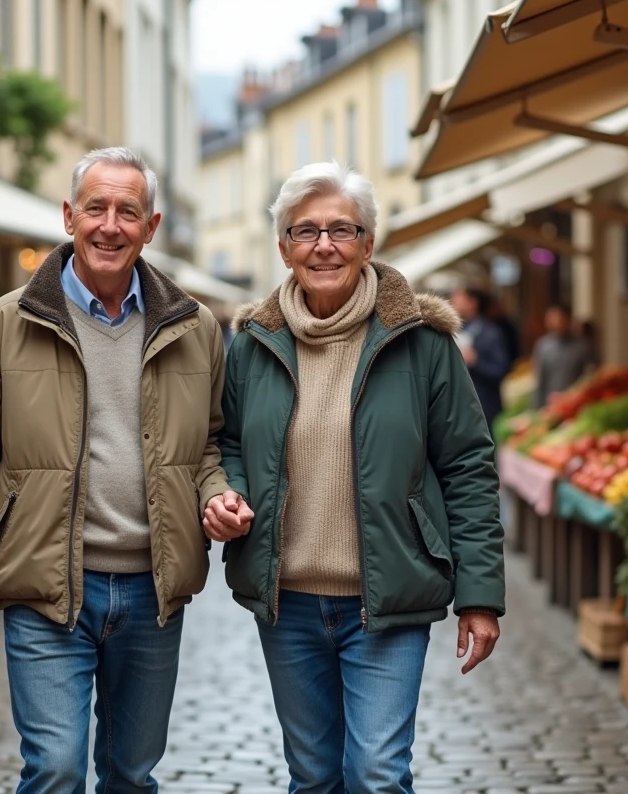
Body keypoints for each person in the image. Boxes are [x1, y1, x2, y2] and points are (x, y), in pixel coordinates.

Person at [0, 147, 251, 794]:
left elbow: (213, 444)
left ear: (151, 226)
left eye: (127, 211)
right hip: (45, 586)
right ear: (69, 216)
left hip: (151, 592)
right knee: (56, 768)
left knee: (131, 775)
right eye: (95, 208)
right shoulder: (2, 324)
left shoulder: (195, 330)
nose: (110, 225)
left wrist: (219, 495)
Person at [210, 161, 504, 793]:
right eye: (305, 231)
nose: (324, 245)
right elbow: (227, 441)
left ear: (369, 243)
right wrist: (227, 490)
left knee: (375, 774)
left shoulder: (421, 343)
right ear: (283, 247)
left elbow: (468, 466)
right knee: (313, 777)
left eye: (341, 229)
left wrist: (479, 595)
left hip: (390, 598)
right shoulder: (252, 344)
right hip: (285, 600)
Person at [450, 286, 511, 428]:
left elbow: (501, 370)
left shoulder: (491, 333)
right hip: (458, 408)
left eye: (458, 298)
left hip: (485, 408)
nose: (453, 302)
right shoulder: (452, 332)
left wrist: (476, 362)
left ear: (473, 303)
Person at [532, 303, 594, 410]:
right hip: (550, 404)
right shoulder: (543, 346)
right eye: (552, 319)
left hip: (576, 404)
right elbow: (540, 379)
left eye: (560, 318)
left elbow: (590, 377)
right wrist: (536, 407)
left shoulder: (582, 346)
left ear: (568, 319)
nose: (556, 322)